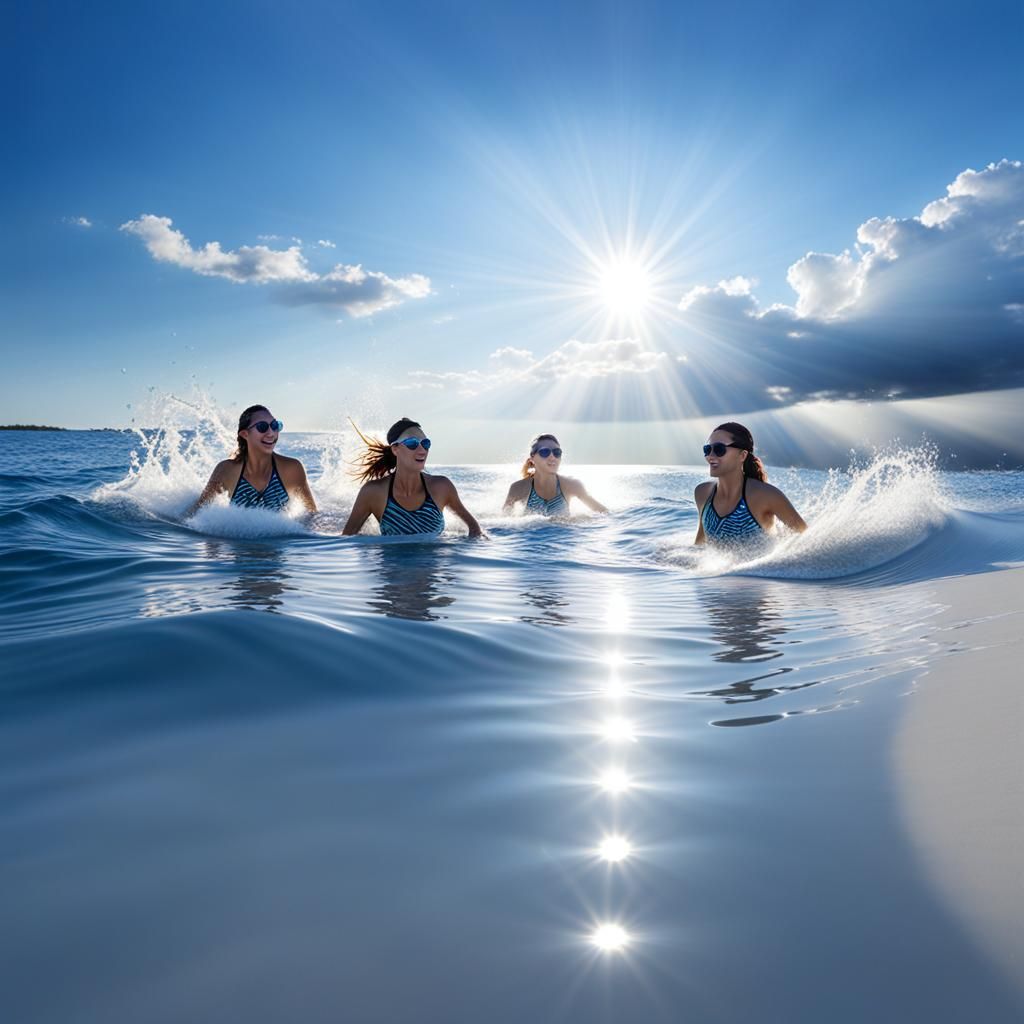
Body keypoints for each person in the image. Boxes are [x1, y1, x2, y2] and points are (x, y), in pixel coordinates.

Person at [342, 418, 483, 537]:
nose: (422, 450)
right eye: (412, 443)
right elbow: (345, 540)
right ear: (395, 449)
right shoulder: (374, 492)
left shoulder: (441, 487)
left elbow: (475, 529)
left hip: (433, 569)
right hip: (392, 569)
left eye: (425, 443)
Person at [189, 404, 317, 515]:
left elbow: (311, 514)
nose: (271, 433)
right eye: (262, 427)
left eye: (275, 425)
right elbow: (198, 512)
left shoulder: (292, 468)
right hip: (238, 542)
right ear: (245, 434)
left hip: (279, 543)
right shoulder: (226, 470)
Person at [694, 422, 805, 545]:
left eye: (719, 449)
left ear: (742, 455)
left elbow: (806, 539)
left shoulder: (766, 495)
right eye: (707, 449)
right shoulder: (702, 493)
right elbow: (700, 544)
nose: (710, 456)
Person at [503, 433, 608, 517]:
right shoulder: (518, 488)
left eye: (557, 452)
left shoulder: (572, 485)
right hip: (531, 542)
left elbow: (604, 513)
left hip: (562, 542)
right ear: (533, 457)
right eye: (545, 452)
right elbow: (505, 523)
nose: (552, 457)